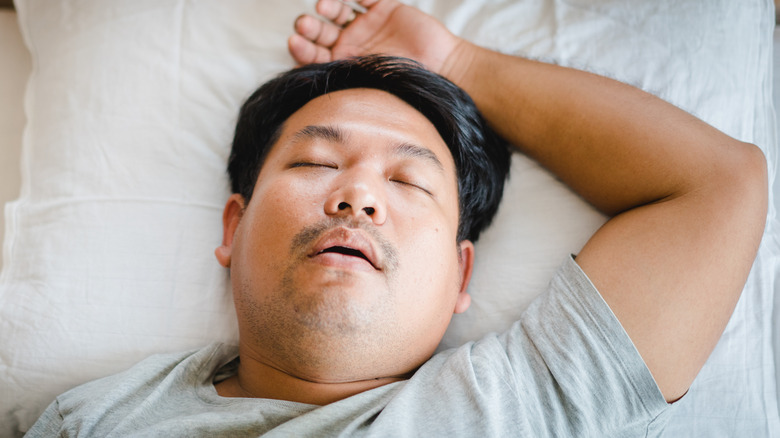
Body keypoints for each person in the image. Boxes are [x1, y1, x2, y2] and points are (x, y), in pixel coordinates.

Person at [27, 0, 767, 436]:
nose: (358, 198)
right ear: (233, 227)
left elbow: (716, 185)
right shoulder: (92, 417)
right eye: (316, 164)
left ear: (460, 272)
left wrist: (459, 64)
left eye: (410, 180)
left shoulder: (512, 404)